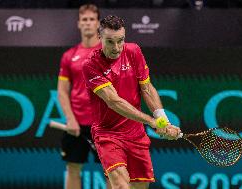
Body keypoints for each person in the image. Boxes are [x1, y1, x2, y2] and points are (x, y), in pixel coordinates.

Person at [82, 15, 181, 189]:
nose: (117, 47)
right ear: (99, 38)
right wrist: (152, 121)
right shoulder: (91, 65)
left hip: (136, 135)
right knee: (120, 185)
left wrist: (163, 120)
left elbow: (147, 88)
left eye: (120, 41)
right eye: (110, 42)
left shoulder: (133, 51)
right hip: (108, 134)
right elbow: (114, 102)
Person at [57, 4, 110, 189]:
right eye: (84, 20)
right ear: (79, 24)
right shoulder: (69, 56)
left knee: (112, 171)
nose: (88, 23)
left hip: (104, 124)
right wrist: (70, 119)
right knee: (73, 168)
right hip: (76, 124)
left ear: (98, 24)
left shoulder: (108, 53)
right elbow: (62, 91)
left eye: (91, 19)